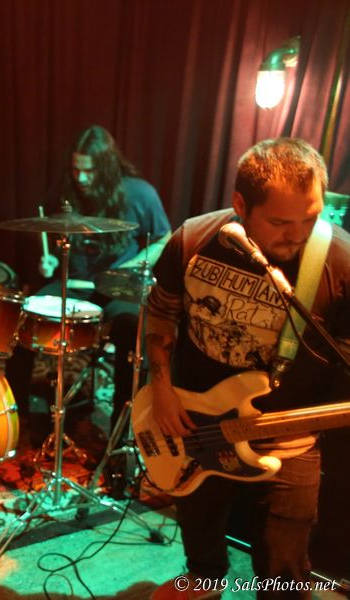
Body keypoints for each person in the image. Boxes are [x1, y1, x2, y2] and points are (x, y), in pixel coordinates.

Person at [146, 138, 350, 599]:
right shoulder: (194, 238)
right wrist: (161, 388)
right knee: (200, 529)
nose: (297, 235)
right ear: (241, 205)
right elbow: (160, 311)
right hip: (195, 425)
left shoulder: (340, 261)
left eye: (310, 218)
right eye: (279, 222)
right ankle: (205, 579)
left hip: (287, 441)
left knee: (284, 570)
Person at [38, 125, 171, 435]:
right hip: (76, 285)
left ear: (108, 167)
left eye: (89, 171)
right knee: (21, 315)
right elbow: (61, 241)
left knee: (130, 327)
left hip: (116, 287)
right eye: (76, 169)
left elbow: (164, 238)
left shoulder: (139, 193)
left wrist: (130, 267)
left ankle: (119, 433)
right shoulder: (67, 192)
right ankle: (31, 419)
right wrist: (51, 260)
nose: (81, 178)